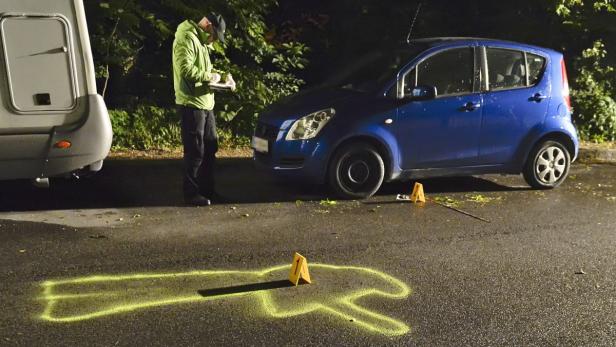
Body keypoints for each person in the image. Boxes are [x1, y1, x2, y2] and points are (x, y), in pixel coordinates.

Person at [172, 13, 235, 206]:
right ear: (207, 24)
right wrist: (209, 76)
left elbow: (204, 70)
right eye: (215, 34)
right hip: (191, 103)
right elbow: (186, 70)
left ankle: (208, 191)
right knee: (195, 150)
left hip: (206, 103)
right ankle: (191, 194)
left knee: (210, 147)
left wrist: (223, 77)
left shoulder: (202, 41)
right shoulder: (187, 37)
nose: (215, 39)